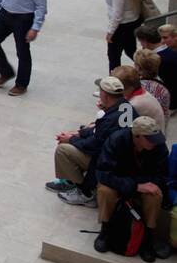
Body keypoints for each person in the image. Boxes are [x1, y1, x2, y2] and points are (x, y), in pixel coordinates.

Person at [92, 118, 171, 262]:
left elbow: (162, 176)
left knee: (155, 195)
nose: (154, 142)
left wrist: (143, 185)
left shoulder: (159, 146)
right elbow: (103, 173)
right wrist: (135, 185)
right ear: (137, 136)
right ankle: (105, 230)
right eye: (149, 139)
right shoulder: (116, 140)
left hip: (141, 184)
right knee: (104, 191)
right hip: (120, 183)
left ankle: (148, 237)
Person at [48, 75, 130, 206]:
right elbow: (98, 131)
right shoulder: (126, 107)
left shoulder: (110, 119)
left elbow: (93, 146)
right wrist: (80, 133)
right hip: (121, 159)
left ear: (106, 96)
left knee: (63, 149)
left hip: (109, 163)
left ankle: (85, 192)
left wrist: (71, 139)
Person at [104, 0, 144, 72]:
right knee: (130, 50)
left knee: (113, 56)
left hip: (121, 27)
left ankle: (114, 81)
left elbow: (117, 14)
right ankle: (147, 67)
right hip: (134, 22)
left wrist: (110, 32)